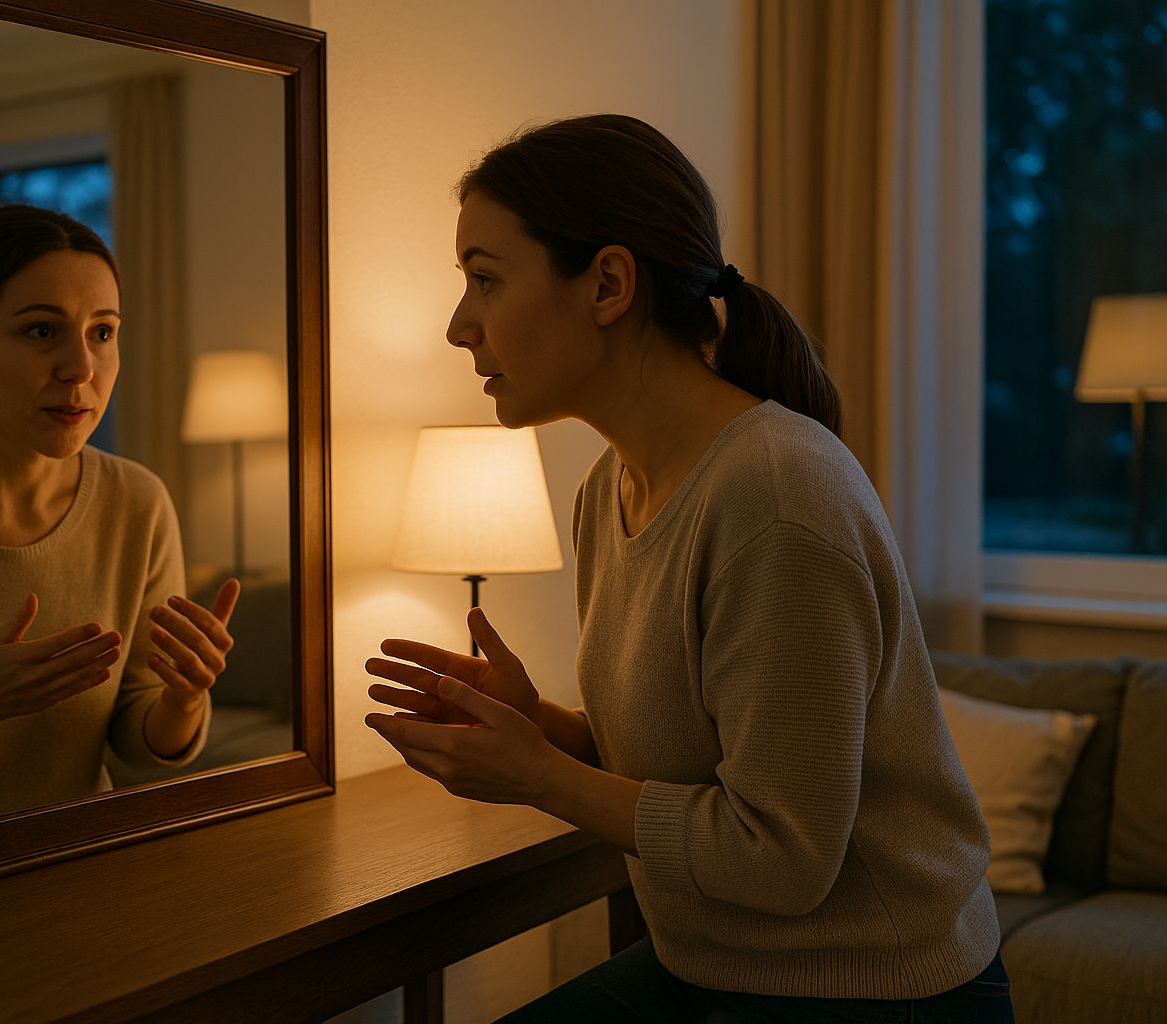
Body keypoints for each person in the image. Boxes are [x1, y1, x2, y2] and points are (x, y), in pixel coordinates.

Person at [364, 115, 1013, 1022]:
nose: (457, 326)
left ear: (609, 284)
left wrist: (539, 777)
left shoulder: (777, 496)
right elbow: (691, 758)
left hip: (867, 988)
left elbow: (782, 858)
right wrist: (540, 727)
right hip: (717, 969)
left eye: (484, 278)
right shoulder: (610, 489)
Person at [0, 204, 237, 842]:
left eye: (102, 333)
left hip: (75, 875)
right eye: (40, 332)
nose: (80, 368)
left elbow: (139, 742)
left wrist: (185, 697)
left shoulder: (137, 502)